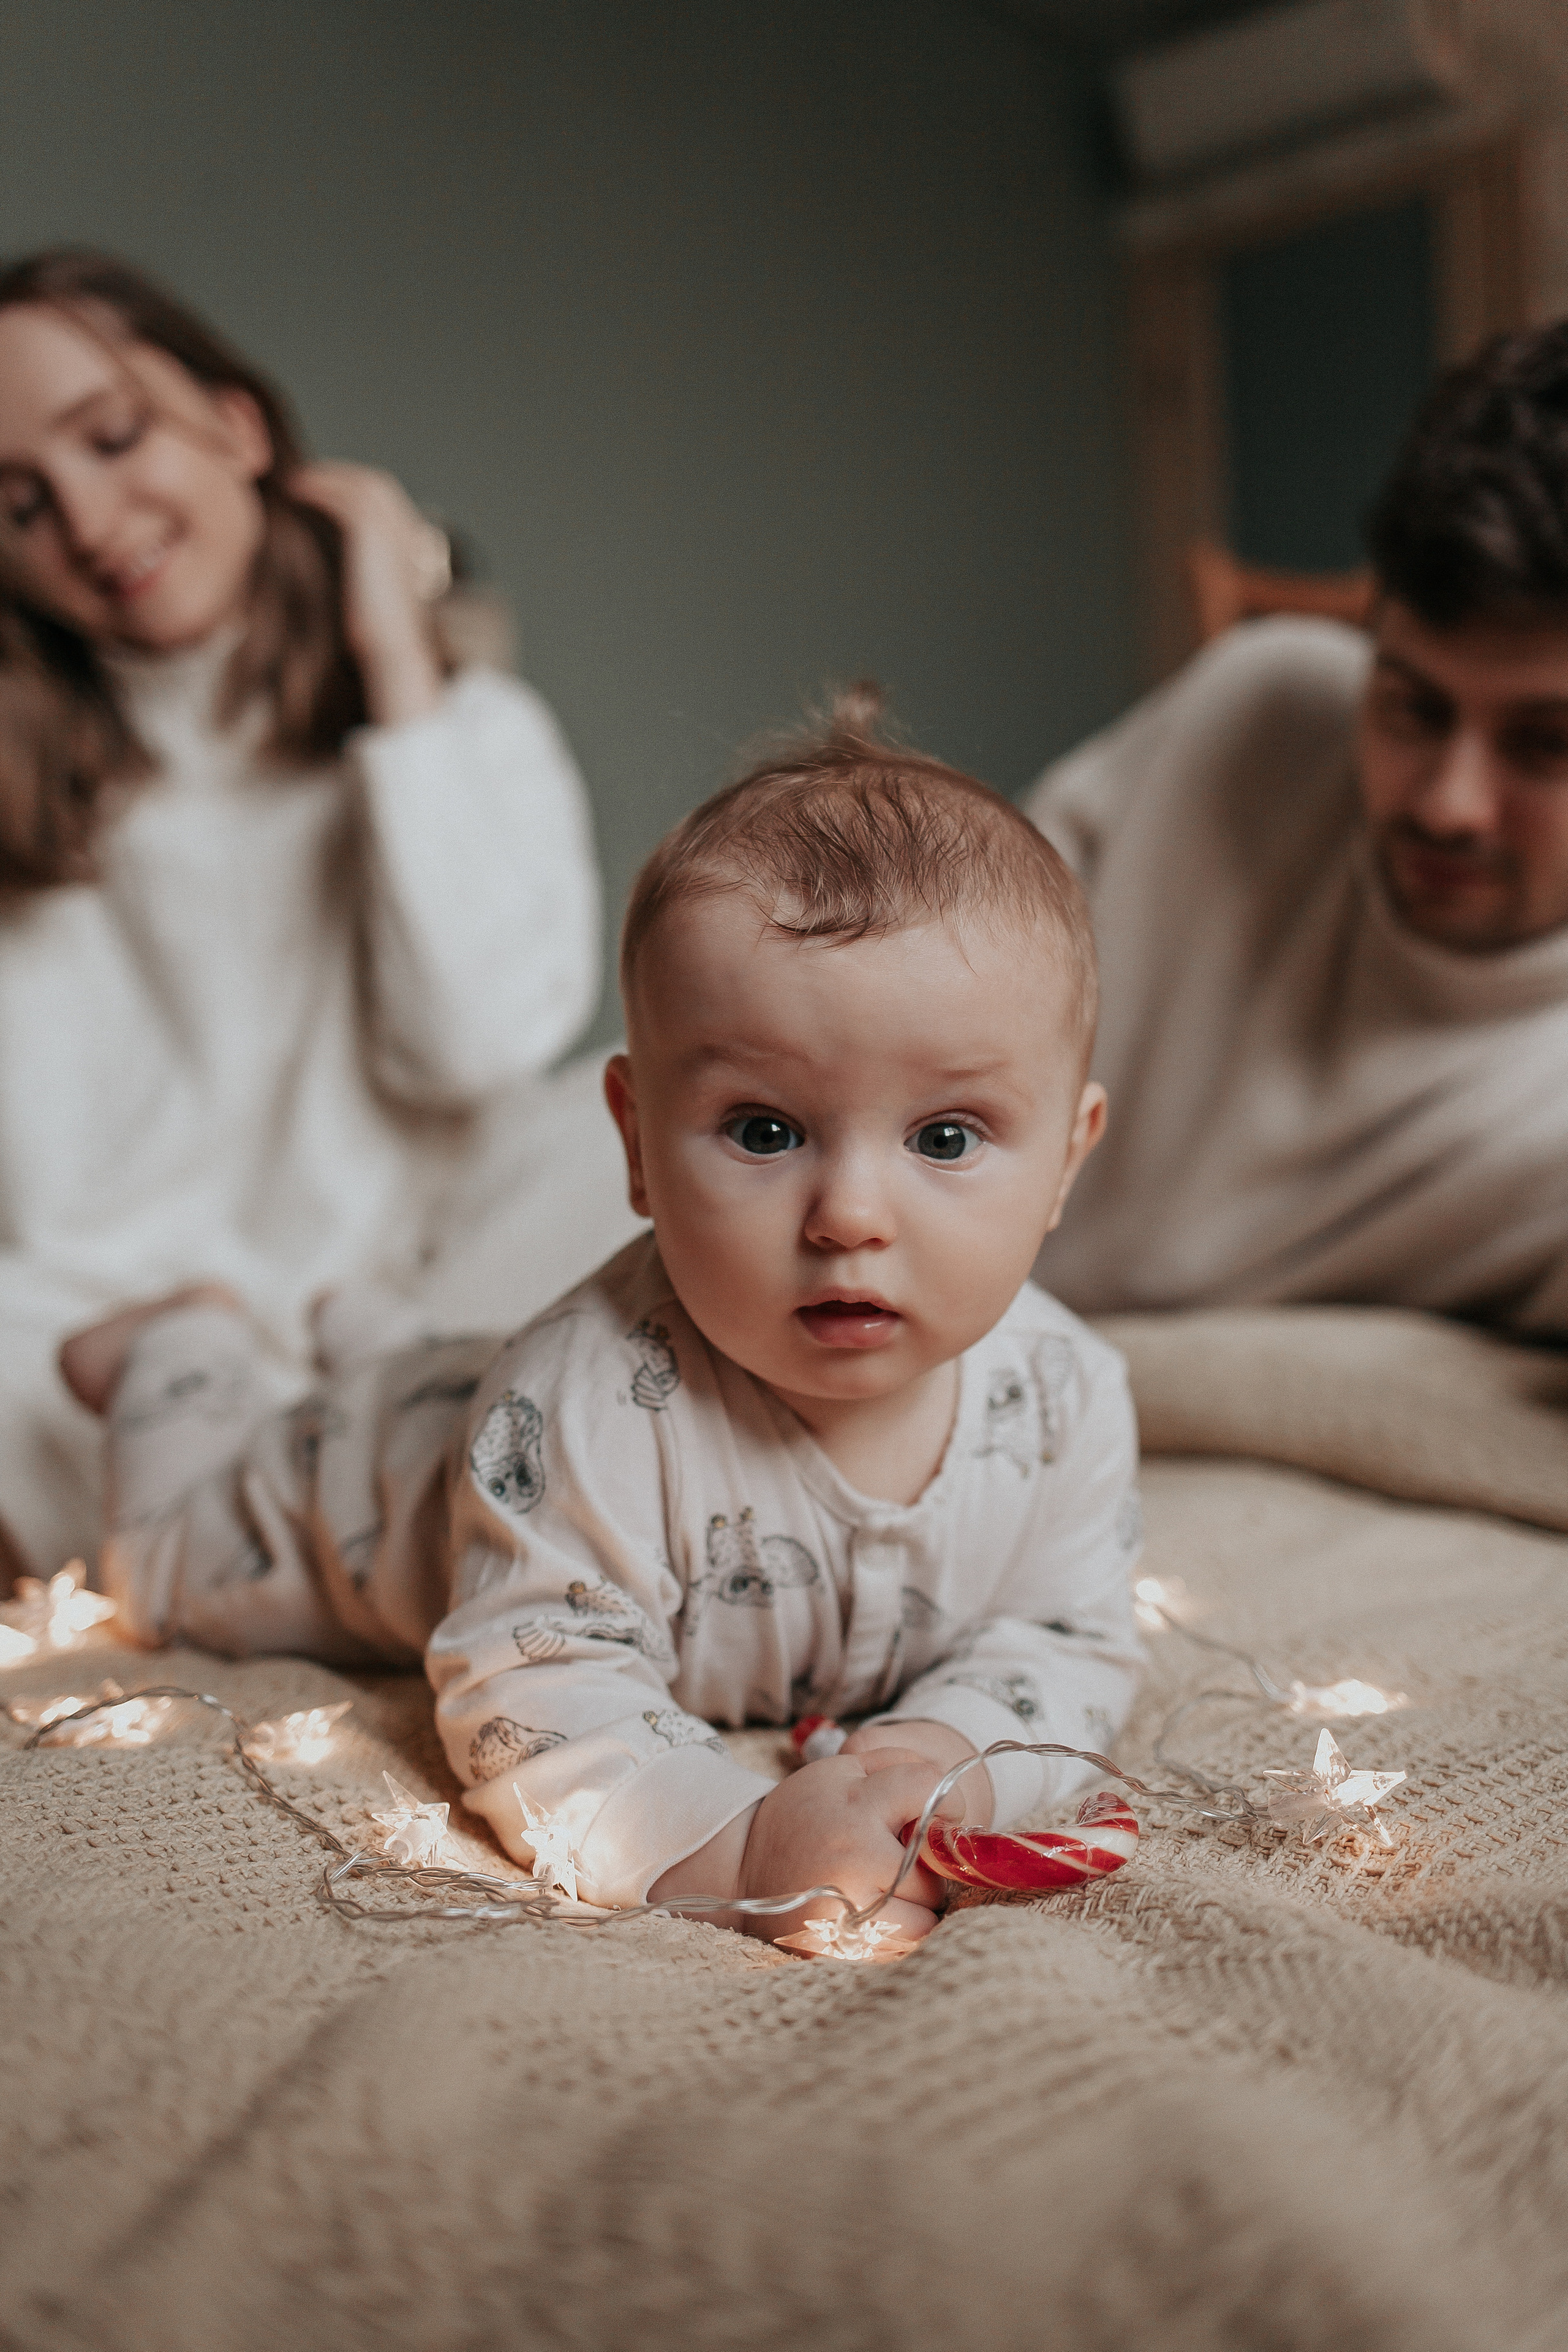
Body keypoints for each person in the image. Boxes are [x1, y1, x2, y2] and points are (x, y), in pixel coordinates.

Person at [61, 695, 1143, 1944]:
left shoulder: (1066, 1399)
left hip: (468, 1393)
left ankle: (379, 1335)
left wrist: (941, 1754)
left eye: (943, 1139)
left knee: (444, 1373)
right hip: (351, 1494)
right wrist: (739, 1845)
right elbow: (537, 1684)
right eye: (764, 1131)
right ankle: (180, 1350)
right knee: (156, 1572)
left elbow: (1063, 1636)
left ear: (1067, 1158)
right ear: (635, 1143)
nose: (848, 1214)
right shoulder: (579, 1408)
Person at [0, 249, 626, 1583]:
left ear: (236, 426)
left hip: (419, 1282)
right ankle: (322, 1496)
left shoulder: (470, 732)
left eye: (112, 440)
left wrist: (397, 660)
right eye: (19, 504)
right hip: (117, 1337)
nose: (91, 523)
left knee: (631, 1130)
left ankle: (270, 1506)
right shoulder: (28, 818)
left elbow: (472, 1051)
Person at [1027, 322, 1568, 1335]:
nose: (1450, 803)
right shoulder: (1258, 704)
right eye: (1411, 706)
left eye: (1547, 745)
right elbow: (915, 985)